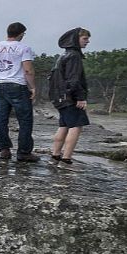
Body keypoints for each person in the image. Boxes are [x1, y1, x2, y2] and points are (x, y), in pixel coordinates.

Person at [0, 22, 39, 161]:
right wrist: (32, 87)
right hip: (17, 86)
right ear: (21, 34)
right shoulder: (24, 48)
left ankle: (4, 150)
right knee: (25, 120)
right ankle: (24, 152)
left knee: (1, 120)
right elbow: (28, 70)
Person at [49, 27, 91, 164]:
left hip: (60, 97)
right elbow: (74, 79)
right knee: (76, 126)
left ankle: (55, 154)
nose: (87, 42)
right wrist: (80, 97)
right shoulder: (74, 56)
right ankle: (67, 157)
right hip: (70, 98)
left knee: (64, 126)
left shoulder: (63, 55)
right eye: (85, 39)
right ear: (75, 39)